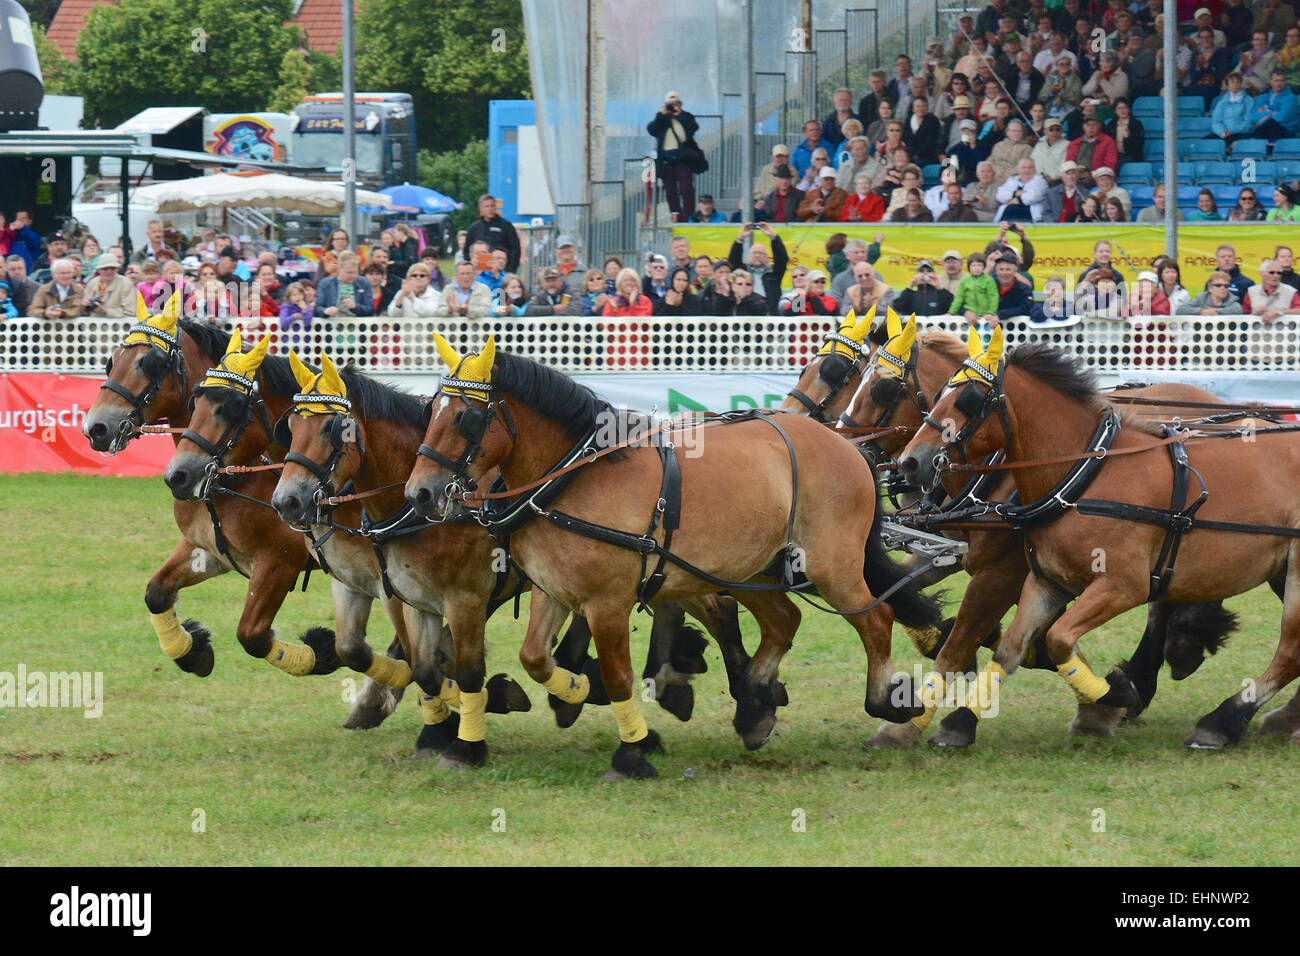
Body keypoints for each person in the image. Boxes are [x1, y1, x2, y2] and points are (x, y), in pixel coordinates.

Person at [728, 221, 788, 315]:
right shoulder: (743, 272)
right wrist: (740, 239)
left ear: (767, 258)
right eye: (754, 253)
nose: (757, 255)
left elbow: (782, 259)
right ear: (748, 256)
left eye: (761, 253)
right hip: (746, 314)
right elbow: (732, 262)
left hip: (769, 316)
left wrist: (774, 237)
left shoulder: (773, 273)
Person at [462, 194, 522, 272]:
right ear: (480, 209)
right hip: (480, 271)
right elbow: (466, 251)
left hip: (501, 271)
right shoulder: (474, 228)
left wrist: (509, 271)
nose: (490, 209)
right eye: (487, 206)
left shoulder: (506, 226)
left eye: (492, 206)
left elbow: (515, 250)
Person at [1066, 115, 1118, 187]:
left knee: (1081, 186)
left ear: (1099, 126)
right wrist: (1077, 172)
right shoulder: (1074, 143)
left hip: (1099, 176)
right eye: (1087, 125)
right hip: (1077, 175)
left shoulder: (1108, 141)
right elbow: (1069, 163)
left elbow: (1110, 165)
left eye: (1093, 125)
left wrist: (1092, 174)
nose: (1091, 127)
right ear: (1083, 127)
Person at [315, 251, 373, 317]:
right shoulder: (325, 283)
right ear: (339, 269)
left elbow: (370, 309)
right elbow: (317, 308)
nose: (353, 276)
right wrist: (325, 311)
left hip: (357, 325)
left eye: (355, 272)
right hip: (333, 325)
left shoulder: (364, 282)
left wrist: (355, 307)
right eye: (349, 272)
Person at [1182, 28, 1231, 106]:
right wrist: (1198, 66)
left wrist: (1206, 64)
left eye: (1208, 37)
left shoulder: (1221, 52)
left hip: (1215, 86)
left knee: (1205, 90)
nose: (1205, 40)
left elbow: (1221, 75)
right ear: (1199, 39)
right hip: (1198, 86)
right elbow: (1193, 78)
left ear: (1212, 38)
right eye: (1202, 37)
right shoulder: (1196, 54)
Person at [949, 253, 1000, 326]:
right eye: (974, 265)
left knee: (985, 336)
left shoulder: (989, 280)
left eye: (980, 265)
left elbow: (993, 297)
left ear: (984, 267)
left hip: (985, 318)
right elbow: (959, 298)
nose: (977, 268)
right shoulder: (964, 281)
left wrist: (991, 312)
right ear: (969, 267)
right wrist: (951, 312)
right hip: (970, 317)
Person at [78, 253, 135, 317]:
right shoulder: (92, 283)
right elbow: (84, 313)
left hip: (117, 326)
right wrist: (84, 306)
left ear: (117, 269)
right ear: (99, 270)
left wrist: (106, 311)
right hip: (94, 325)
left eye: (112, 268)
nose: (109, 271)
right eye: (105, 269)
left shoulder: (126, 283)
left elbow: (131, 312)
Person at [1248, 71, 1298, 139]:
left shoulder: (1291, 98)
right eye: (1276, 80)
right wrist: (1272, 113)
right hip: (1264, 130)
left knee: (1268, 121)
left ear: (1285, 82)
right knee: (1264, 122)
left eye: (1282, 80)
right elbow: (1252, 117)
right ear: (1271, 82)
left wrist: (1265, 111)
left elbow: (1281, 117)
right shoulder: (1262, 98)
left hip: (1285, 132)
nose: (1279, 83)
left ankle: (1243, 140)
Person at [995, 157, 1049, 221]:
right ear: (1018, 170)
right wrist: (1016, 193)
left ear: (1034, 169)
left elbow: (1033, 197)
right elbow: (1000, 196)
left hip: (1030, 218)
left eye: (1030, 167)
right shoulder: (1012, 180)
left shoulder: (1040, 181)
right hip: (1006, 218)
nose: (1027, 170)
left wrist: (1013, 200)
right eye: (1024, 167)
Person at [1213, 73, 1255, 144]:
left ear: (1241, 84)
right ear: (1227, 85)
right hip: (1224, 133)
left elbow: (1248, 122)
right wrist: (1223, 132)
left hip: (1240, 133)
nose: (1235, 85)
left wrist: (1232, 131)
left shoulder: (1248, 100)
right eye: (1232, 82)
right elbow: (1216, 122)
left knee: (1226, 142)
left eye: (1237, 82)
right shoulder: (1222, 101)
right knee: (1207, 140)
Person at [903, 95, 943, 166]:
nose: (921, 109)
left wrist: (918, 155)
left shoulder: (933, 120)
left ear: (927, 108)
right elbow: (906, 138)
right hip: (911, 154)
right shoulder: (908, 120)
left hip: (928, 155)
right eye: (918, 106)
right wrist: (912, 153)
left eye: (923, 106)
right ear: (913, 109)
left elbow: (931, 141)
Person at [1178, 270, 1243, 314]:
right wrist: (1201, 311)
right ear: (1210, 288)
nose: (1222, 288)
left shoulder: (1231, 299)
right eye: (1218, 285)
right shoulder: (1201, 298)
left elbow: (1238, 309)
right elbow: (1181, 309)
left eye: (1226, 286)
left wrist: (1216, 311)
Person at [1104, 98, 1144, 167]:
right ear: (1115, 111)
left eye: (1125, 108)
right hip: (1114, 155)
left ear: (1129, 109)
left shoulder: (1136, 124)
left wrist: (1128, 138)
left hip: (1130, 156)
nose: (1122, 111)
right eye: (1119, 108)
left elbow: (1138, 145)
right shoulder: (1111, 124)